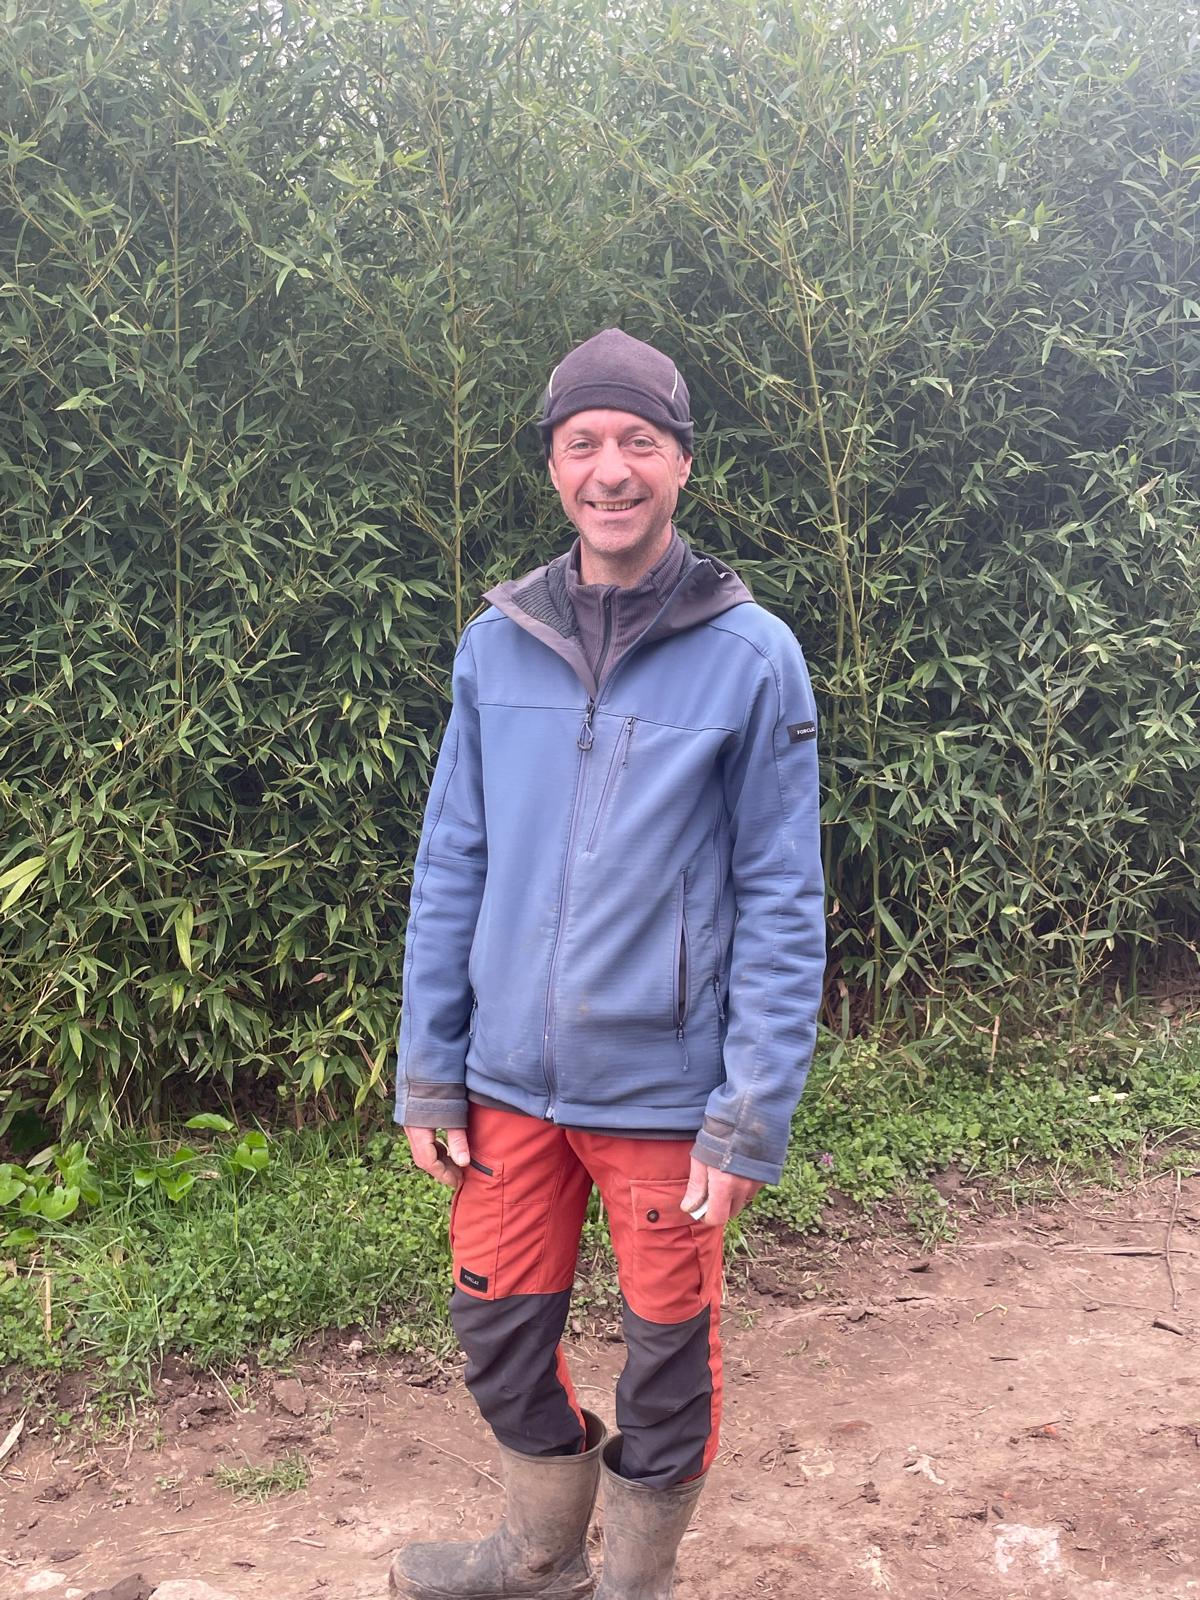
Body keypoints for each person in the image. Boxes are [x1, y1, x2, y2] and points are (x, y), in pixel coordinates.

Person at [391, 328, 825, 1600]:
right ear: (554, 465)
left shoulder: (753, 657)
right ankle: (540, 1560)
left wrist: (747, 1114)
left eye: (639, 440)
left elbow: (783, 896)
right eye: (583, 442)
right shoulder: (496, 645)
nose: (611, 468)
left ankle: (637, 1583)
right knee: (496, 1328)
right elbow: (452, 861)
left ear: (682, 462)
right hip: (504, 1087)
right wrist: (430, 1065)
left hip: (664, 1098)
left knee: (667, 1362)